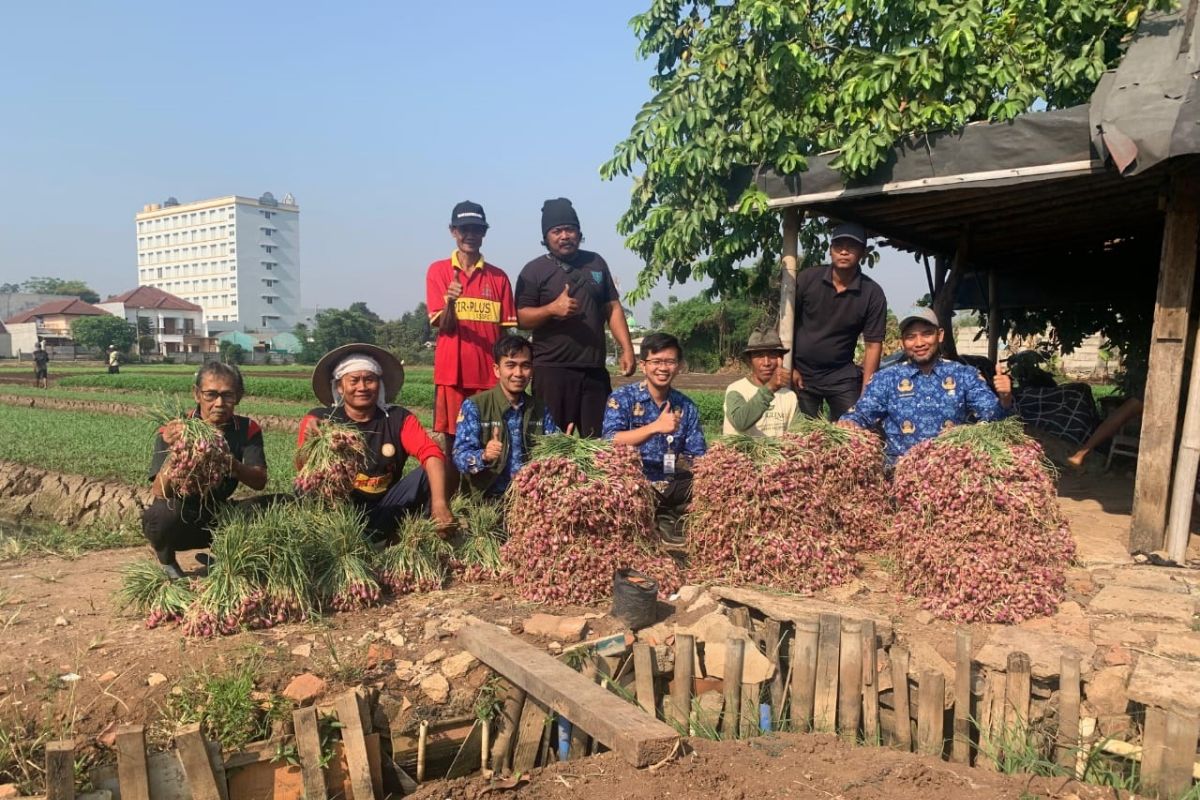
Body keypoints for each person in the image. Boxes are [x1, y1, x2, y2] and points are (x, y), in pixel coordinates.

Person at [297, 343, 454, 538]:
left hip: (385, 509)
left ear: (379, 384)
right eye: (354, 380)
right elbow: (302, 467)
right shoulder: (321, 420)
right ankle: (324, 538)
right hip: (338, 512)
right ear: (339, 386)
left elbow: (431, 453)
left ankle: (420, 532)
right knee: (302, 485)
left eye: (369, 380)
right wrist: (311, 442)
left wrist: (440, 504)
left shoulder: (398, 418)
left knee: (432, 468)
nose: (362, 387)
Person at [516, 198, 636, 437]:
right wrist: (551, 309)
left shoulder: (596, 262)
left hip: (593, 370)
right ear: (546, 236)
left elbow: (612, 307)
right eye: (556, 231)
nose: (564, 236)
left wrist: (627, 348)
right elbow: (520, 318)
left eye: (569, 229)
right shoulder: (534, 271)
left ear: (579, 233)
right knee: (552, 445)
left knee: (599, 443)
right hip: (552, 371)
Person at [141, 362, 269, 580]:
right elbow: (160, 491)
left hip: (222, 516)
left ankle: (228, 556)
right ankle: (169, 564)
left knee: (281, 503)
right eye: (211, 395)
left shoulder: (247, 428)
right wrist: (177, 453)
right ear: (197, 394)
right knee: (157, 515)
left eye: (228, 396)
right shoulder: (174, 428)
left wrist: (231, 464)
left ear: (238, 396)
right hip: (182, 517)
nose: (219, 403)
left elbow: (259, 481)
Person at [840, 308, 1014, 463]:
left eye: (927, 334)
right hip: (900, 476)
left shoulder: (964, 375)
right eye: (911, 337)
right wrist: (847, 425)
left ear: (940, 335)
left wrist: (1005, 399)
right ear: (903, 341)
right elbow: (861, 415)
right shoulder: (886, 379)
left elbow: (994, 419)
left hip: (950, 474)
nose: (919, 343)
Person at [425, 202, 517, 464]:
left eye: (477, 229)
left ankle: (487, 493)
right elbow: (442, 326)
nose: (470, 235)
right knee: (453, 437)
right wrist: (450, 302)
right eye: (464, 229)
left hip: (488, 373)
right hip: (452, 373)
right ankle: (453, 493)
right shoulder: (438, 271)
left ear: (484, 233)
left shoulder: (498, 277)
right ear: (453, 231)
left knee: (492, 433)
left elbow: (505, 332)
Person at [602, 332, 707, 544]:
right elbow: (609, 442)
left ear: (678, 366)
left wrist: (710, 476)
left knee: (711, 485)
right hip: (632, 481)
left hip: (669, 482)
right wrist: (654, 427)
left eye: (670, 362)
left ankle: (664, 515)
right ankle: (660, 516)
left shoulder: (685, 406)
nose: (663, 368)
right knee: (615, 491)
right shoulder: (622, 398)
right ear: (643, 365)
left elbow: (698, 456)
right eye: (656, 361)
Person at [791, 222, 888, 420]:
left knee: (853, 430)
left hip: (841, 376)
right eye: (839, 245)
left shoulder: (872, 293)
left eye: (851, 246)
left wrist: (866, 392)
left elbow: (872, 345)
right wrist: (789, 366)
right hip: (802, 374)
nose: (844, 251)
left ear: (862, 252)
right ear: (831, 250)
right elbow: (786, 325)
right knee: (805, 438)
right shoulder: (807, 279)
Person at [452, 335, 561, 498]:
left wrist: (565, 444)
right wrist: (484, 456)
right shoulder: (475, 406)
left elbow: (555, 448)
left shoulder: (539, 408)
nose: (518, 373)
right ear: (497, 369)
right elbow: (460, 458)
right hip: (487, 501)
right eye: (511, 365)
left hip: (529, 500)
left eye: (525, 366)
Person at [723, 329, 798, 437]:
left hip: (778, 453)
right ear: (749, 361)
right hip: (743, 453)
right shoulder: (736, 390)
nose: (766, 363)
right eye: (759, 356)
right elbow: (741, 422)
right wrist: (770, 388)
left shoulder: (789, 397)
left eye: (772, 355)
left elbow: (797, 435)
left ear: (780, 359)